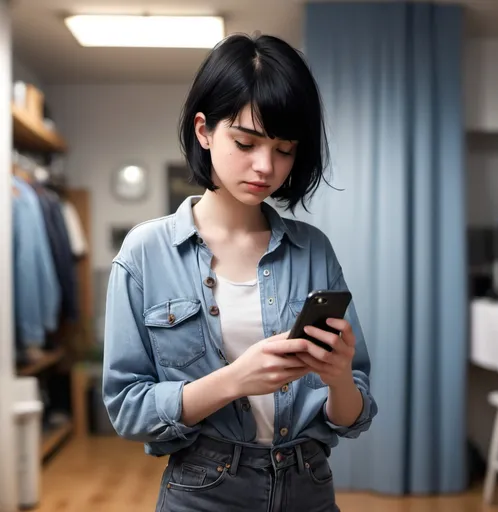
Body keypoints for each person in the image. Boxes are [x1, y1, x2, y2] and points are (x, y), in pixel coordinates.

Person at [103, 33, 378, 512]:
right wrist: (235, 379)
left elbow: (354, 417)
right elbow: (129, 409)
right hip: (204, 491)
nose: (265, 166)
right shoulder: (145, 253)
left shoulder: (313, 250)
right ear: (204, 131)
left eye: (285, 148)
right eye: (246, 142)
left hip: (308, 487)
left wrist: (338, 379)